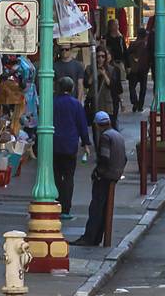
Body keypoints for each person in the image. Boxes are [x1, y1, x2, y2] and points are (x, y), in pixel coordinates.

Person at [72, 111, 127, 247]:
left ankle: (90, 237)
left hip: (106, 176)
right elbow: (124, 158)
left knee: (96, 207)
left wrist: (97, 172)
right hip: (115, 174)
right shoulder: (117, 135)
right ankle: (97, 237)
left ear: (97, 125)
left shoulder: (105, 137)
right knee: (104, 208)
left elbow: (104, 158)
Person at [52, 75, 90, 218]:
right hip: (70, 144)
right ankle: (66, 207)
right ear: (72, 88)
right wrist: (86, 143)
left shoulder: (52, 103)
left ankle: (55, 203)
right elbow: (82, 125)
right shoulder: (76, 104)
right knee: (68, 176)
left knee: (55, 174)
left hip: (54, 144)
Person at [126, 27, 148, 111]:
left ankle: (135, 102)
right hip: (143, 69)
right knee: (143, 88)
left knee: (132, 87)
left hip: (134, 69)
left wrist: (129, 65)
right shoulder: (145, 45)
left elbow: (127, 55)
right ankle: (140, 105)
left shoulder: (132, 44)